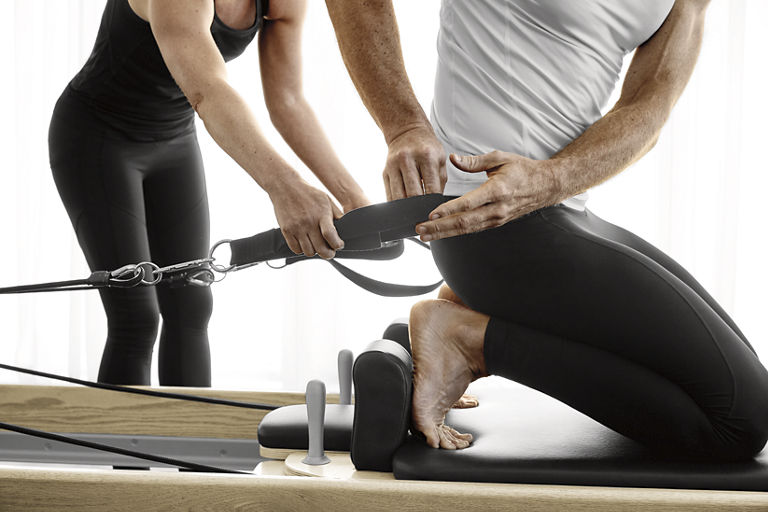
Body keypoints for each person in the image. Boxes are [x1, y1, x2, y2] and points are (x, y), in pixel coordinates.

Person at [327, 0, 768, 461]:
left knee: (739, 392)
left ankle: (461, 319)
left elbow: (648, 107)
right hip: (489, 225)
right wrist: (402, 127)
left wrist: (548, 181)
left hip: (559, 212)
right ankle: (469, 341)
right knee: (740, 421)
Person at [48, 0, 368, 386]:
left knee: (191, 307)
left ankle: (184, 446)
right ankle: (120, 446)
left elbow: (288, 100)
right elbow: (208, 90)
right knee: (136, 317)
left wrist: (354, 201)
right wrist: (285, 187)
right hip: (97, 137)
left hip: (173, 138)